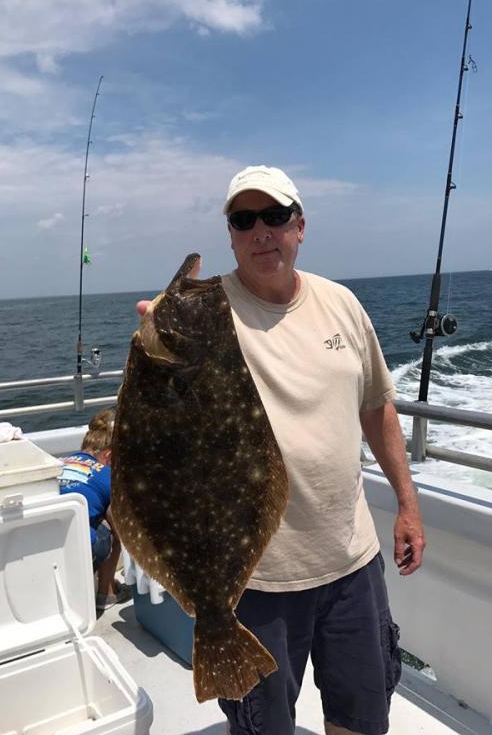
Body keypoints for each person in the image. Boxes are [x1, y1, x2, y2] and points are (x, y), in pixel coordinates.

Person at [139, 165, 425, 735]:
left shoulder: (342, 303)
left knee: (363, 717)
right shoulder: (201, 313)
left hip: (351, 560)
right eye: (244, 220)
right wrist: (155, 341)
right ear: (230, 235)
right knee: (263, 726)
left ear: (300, 226)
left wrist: (408, 504)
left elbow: (376, 407)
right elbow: (156, 431)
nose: (260, 232)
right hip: (253, 579)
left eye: (274, 216)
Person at [58, 408, 131, 611]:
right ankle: (107, 594)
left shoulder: (61, 462)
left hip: (50, 543)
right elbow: (121, 529)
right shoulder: (105, 474)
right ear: (108, 455)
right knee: (113, 526)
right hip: (79, 547)